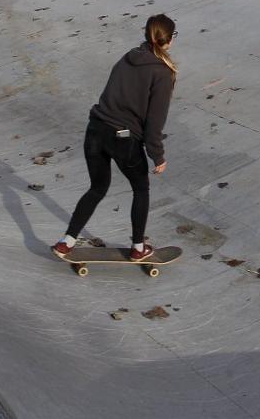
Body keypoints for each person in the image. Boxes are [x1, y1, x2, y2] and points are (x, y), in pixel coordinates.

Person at [53, 14, 177, 261]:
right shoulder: (163, 73)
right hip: (123, 138)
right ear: (169, 39)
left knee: (97, 188)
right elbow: (155, 121)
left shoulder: (127, 57)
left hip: (96, 129)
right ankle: (138, 248)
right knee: (141, 188)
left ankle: (66, 242)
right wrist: (157, 155)